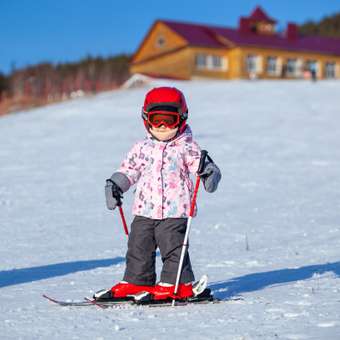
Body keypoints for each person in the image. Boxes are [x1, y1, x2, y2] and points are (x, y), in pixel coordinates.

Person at [101, 87, 221, 301]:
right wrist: (115, 184)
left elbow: (201, 166)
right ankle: (137, 281)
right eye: (157, 120)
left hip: (175, 210)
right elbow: (129, 170)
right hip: (144, 209)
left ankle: (177, 283)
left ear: (182, 119)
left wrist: (209, 173)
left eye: (169, 119)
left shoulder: (187, 147)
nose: (163, 126)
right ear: (146, 119)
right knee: (138, 245)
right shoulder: (141, 148)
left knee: (173, 246)